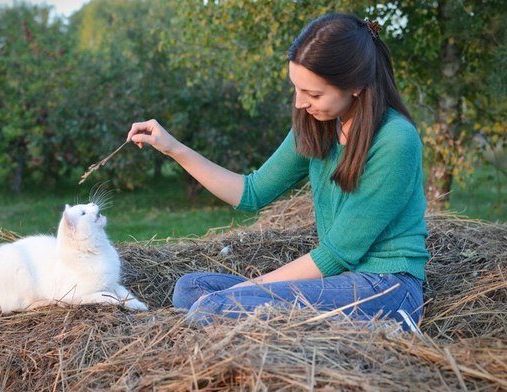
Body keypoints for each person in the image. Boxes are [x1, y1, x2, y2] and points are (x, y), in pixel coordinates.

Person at [126, 13, 428, 332]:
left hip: (387, 290)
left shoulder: (395, 139)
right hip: (343, 280)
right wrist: (173, 147)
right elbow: (251, 193)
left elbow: (335, 256)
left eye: (313, 94)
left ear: (355, 85)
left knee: (213, 307)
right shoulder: (319, 125)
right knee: (192, 288)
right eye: (296, 89)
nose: (300, 103)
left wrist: (243, 293)